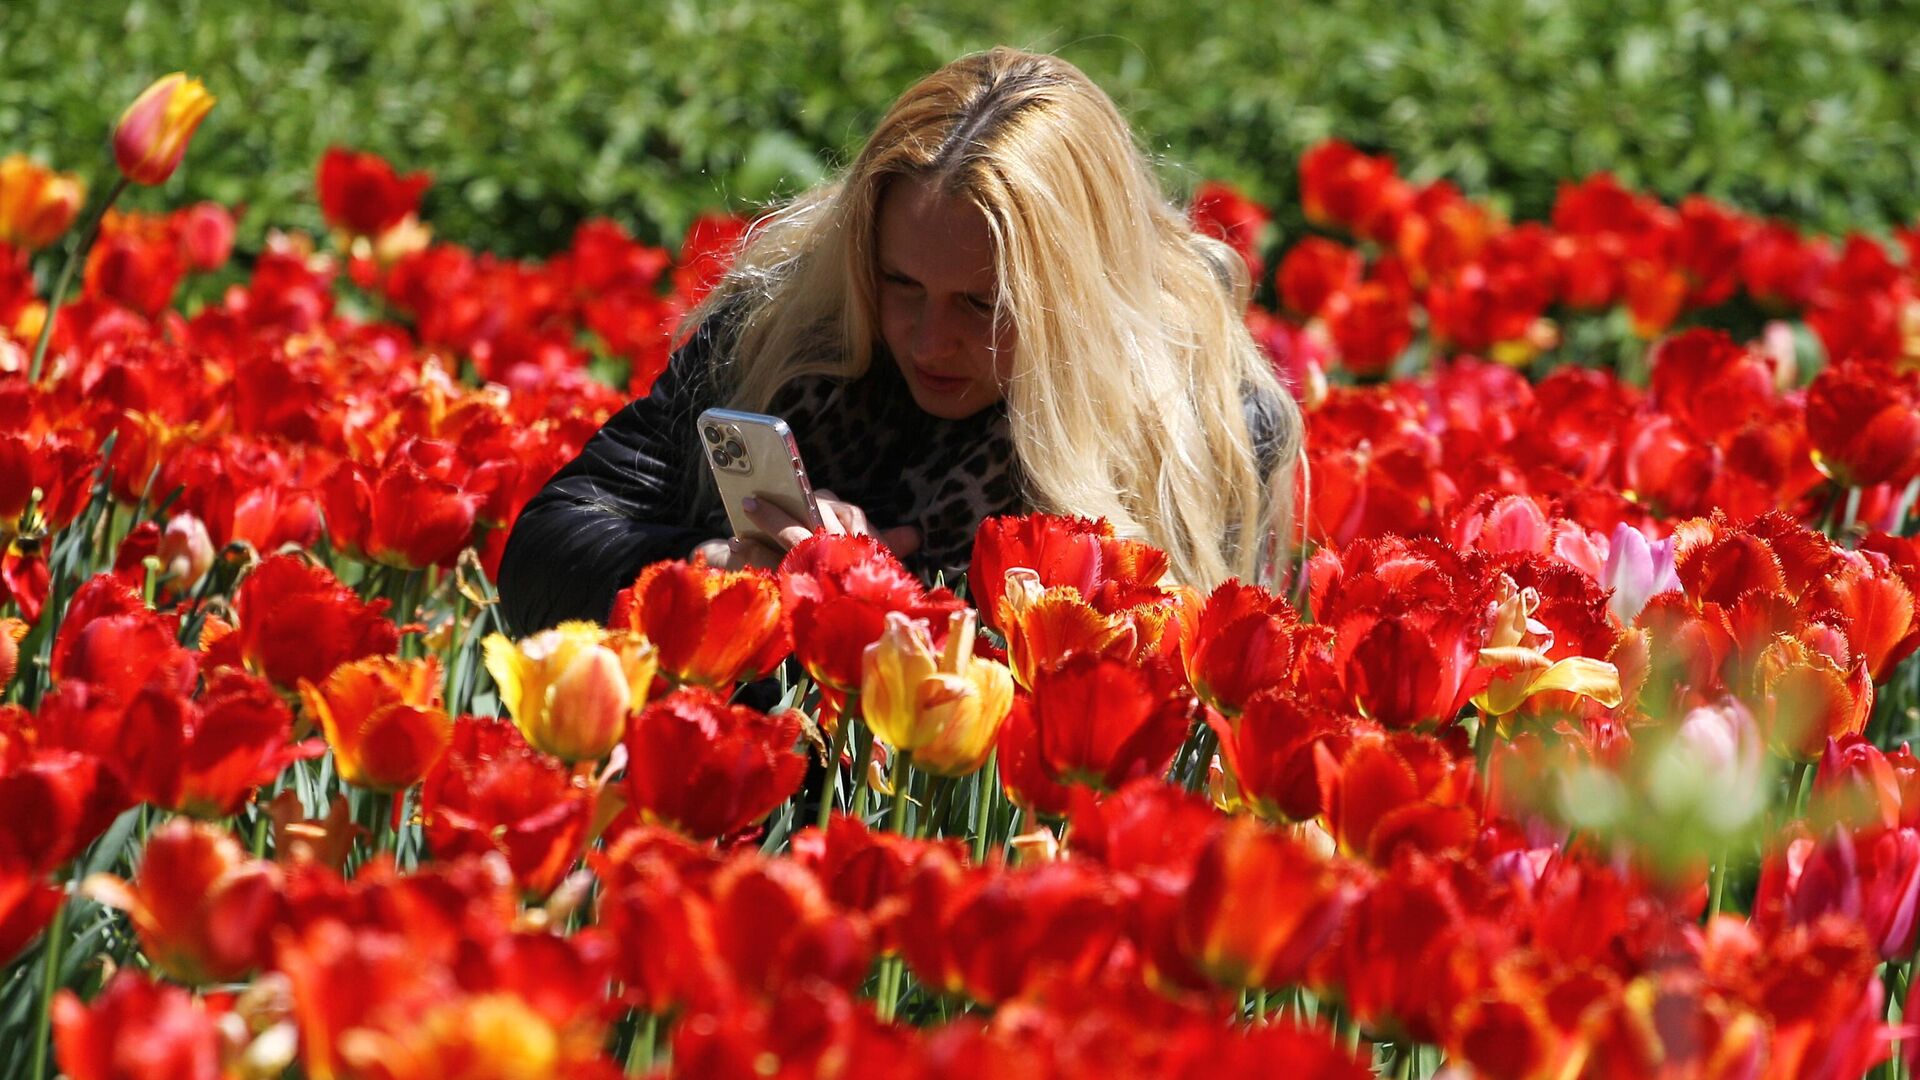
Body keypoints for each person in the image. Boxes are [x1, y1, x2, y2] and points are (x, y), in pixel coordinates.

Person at [498, 46, 1302, 636]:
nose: (928, 339)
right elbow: (545, 550)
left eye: (984, 306)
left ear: (1076, 307)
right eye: (901, 284)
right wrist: (717, 574)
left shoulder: (1200, 423)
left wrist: (901, 611)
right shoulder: (778, 333)